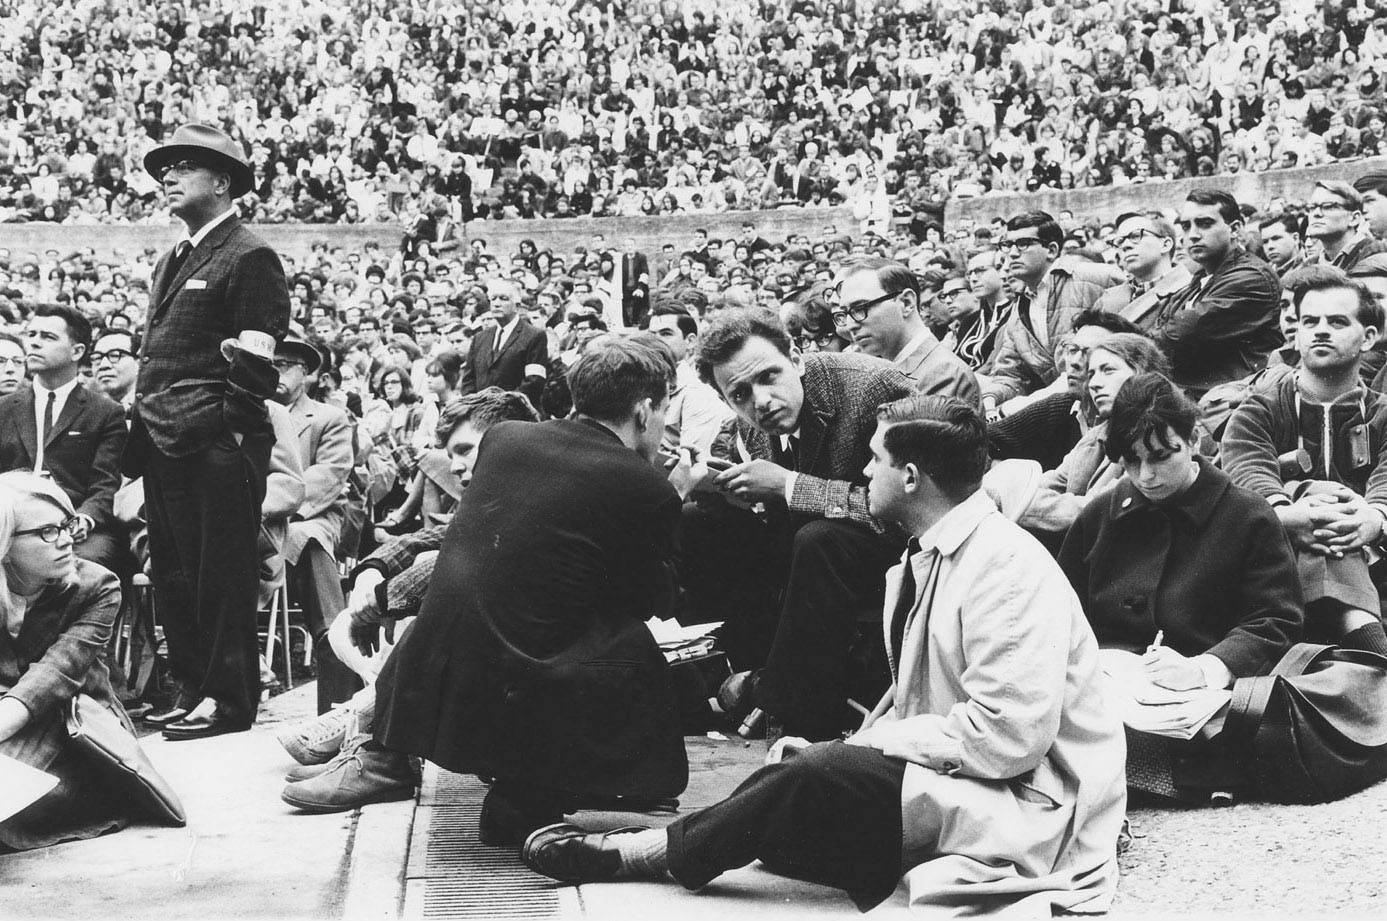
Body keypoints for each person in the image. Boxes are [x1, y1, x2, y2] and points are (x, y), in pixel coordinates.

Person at [524, 396, 1127, 919]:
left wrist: (860, 751)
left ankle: (644, 854)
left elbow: (1008, 739)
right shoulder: (939, 552)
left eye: (875, 460)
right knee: (790, 790)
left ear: (911, 477)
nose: (866, 472)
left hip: (1036, 802)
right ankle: (699, 833)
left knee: (813, 779)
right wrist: (854, 748)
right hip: (970, 776)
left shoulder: (1007, 567)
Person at [283, 339, 696, 849]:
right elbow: (649, 601)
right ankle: (588, 790)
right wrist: (670, 490)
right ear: (646, 409)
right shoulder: (647, 485)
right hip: (526, 693)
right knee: (636, 646)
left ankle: (418, 766)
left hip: (440, 689)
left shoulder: (506, 439)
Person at [1059, 374, 1304, 798]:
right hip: (1106, 684)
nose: (1146, 476)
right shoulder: (1100, 516)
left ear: (1193, 439)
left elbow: (1276, 617)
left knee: (1232, 735)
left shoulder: (1247, 515)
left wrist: (1206, 668)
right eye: (1131, 461)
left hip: (1201, 694)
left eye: (1160, 457)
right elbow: (1060, 610)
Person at [122, 123, 289, 741]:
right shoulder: (176, 255)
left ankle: (228, 699)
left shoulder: (251, 255)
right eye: (166, 167)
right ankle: (193, 688)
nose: (168, 176)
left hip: (212, 442)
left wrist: (233, 439)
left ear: (222, 182)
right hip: (163, 440)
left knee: (220, 572)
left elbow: (254, 360)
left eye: (186, 165)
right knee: (175, 572)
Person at [275, 388, 540, 770]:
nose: (454, 466)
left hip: (538, 662)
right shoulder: (499, 493)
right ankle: (370, 731)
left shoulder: (536, 493)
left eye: (465, 450)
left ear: (508, 441)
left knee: (442, 600)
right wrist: (373, 569)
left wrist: (383, 599)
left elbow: (466, 556)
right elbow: (433, 537)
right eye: (452, 455)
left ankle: (374, 741)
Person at [681, 309, 915, 740]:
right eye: (740, 394)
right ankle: (729, 677)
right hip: (815, 557)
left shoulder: (873, 386)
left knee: (820, 539)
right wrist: (723, 493)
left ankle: (792, 713)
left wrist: (789, 485)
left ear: (797, 356)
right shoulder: (746, 428)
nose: (762, 401)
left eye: (770, 376)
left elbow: (915, 502)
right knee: (697, 522)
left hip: (894, 549)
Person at [0, 472, 179, 850]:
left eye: (66, 525)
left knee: (22, 796)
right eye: (47, 531)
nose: (66, 540)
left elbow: (56, 674)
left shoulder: (97, 586)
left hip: (73, 726)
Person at [1222, 272, 1387, 654]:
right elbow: (1248, 470)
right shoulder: (1261, 410)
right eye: (1310, 322)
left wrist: (1375, 518)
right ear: (1295, 334)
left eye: (1337, 322)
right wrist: (1286, 514)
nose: (1320, 331)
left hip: (1376, 560)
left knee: (1328, 512)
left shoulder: (1382, 412)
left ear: (1369, 337)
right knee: (1320, 501)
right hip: (1275, 559)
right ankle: (1373, 650)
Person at [0, 305, 127, 574]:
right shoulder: (4, 408)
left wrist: (85, 519)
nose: (33, 342)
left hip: (76, 527)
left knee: (85, 570)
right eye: (31, 333)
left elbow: (105, 484)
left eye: (47, 336)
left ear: (77, 352)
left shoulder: (104, 413)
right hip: (10, 524)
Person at [1017, 334, 1173, 534]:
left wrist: (1013, 500)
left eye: (1107, 370)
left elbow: (1093, 512)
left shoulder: (1162, 434)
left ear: (1141, 372)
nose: (1093, 384)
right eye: (1091, 374)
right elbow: (1047, 483)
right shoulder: (1098, 433)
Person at [982, 211, 1120, 420]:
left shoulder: (1095, 276)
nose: (1011, 253)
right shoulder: (1018, 309)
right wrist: (991, 398)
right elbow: (1011, 375)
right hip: (1063, 413)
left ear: (1052, 250)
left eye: (1023, 243)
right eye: (1007, 245)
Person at [1153, 190, 1281, 398]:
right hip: (1196, 399)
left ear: (1235, 229)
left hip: (1232, 405)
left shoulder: (1251, 277)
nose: (1192, 234)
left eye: (1205, 223)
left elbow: (1173, 337)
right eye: (1186, 226)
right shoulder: (1200, 278)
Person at [989, 310, 1145, 471]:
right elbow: (983, 442)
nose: (1074, 362)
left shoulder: (1138, 425)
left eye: (1089, 353)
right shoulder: (1061, 407)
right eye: (1072, 350)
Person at [273, 330, 353, 643]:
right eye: (267, 364)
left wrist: (272, 509)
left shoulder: (327, 417)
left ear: (304, 371)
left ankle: (335, 641)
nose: (273, 372)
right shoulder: (250, 414)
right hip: (253, 518)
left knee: (306, 539)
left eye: (283, 365)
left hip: (310, 515)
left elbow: (326, 477)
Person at [830, 257, 980, 409]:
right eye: (845, 313)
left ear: (906, 303)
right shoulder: (890, 368)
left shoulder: (944, 374)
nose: (850, 326)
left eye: (860, 308)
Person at [643, 304, 733, 454]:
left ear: (690, 341)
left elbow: (692, 461)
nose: (655, 342)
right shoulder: (642, 381)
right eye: (652, 335)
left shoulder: (699, 395)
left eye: (666, 334)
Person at [1096, 211, 1194, 326]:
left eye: (1136, 236)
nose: (1125, 246)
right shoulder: (1107, 298)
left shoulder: (1190, 292)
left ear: (1165, 244)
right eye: (1119, 241)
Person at [458, 277, 548, 402]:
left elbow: (535, 381)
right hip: (481, 414)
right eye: (493, 299)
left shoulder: (535, 335)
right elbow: (469, 380)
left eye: (503, 299)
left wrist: (501, 406)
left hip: (518, 414)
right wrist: (476, 405)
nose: (496, 303)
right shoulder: (480, 338)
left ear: (517, 305)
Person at [1306, 181, 1387, 271]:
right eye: (1312, 207)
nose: (1316, 213)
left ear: (1354, 218)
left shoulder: (1378, 254)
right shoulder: (1308, 264)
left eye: (1328, 206)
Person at [90, 329, 140, 410]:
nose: (103, 365)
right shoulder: (90, 411)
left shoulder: (154, 409)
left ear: (138, 363)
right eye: (97, 358)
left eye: (114, 356)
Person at [1257, 212, 1307, 278]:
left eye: (1276, 238)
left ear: (1295, 238)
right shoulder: (1262, 272)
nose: (1270, 246)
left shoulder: (1311, 267)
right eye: (1265, 241)